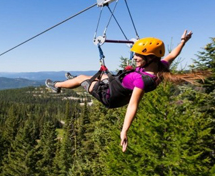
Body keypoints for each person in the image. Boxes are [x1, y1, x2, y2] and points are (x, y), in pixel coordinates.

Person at [46, 30, 205, 152]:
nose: (134, 57)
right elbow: (173, 54)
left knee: (82, 78)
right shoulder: (161, 67)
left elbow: (133, 105)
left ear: (150, 57)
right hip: (115, 84)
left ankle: (57, 86)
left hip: (109, 95)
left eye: (138, 55)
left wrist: (124, 131)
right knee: (92, 77)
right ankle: (76, 81)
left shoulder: (142, 80)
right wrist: (183, 42)